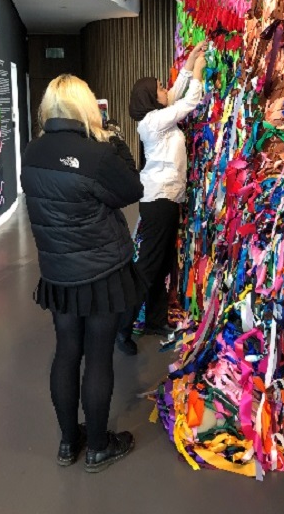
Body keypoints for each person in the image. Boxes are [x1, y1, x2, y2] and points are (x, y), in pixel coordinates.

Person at [21, 74, 144, 472]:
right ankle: (96, 447)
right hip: (102, 271)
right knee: (98, 356)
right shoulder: (98, 154)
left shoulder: (32, 151)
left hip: (58, 270)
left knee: (66, 350)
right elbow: (131, 191)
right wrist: (114, 138)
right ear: (86, 107)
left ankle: (66, 444)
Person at [116, 41, 207, 355]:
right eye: (159, 88)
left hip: (166, 199)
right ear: (150, 99)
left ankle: (154, 320)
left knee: (162, 263)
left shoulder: (157, 117)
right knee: (149, 267)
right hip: (160, 201)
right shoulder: (154, 122)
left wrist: (191, 60)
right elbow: (188, 101)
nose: (165, 88)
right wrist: (198, 73)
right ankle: (122, 327)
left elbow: (174, 93)